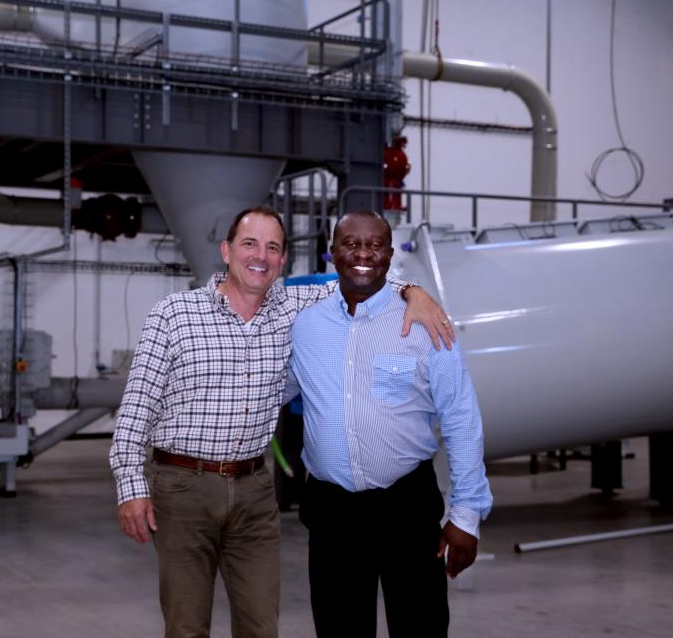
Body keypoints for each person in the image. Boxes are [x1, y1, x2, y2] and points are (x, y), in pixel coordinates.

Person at [108, 206, 455, 638]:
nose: (261, 256)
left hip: (254, 490)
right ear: (226, 250)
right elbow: (136, 408)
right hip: (183, 486)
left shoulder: (296, 306)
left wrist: (412, 291)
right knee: (186, 625)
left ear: (284, 259)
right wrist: (132, 489)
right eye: (249, 243)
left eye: (273, 247)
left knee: (260, 626)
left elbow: (361, 275)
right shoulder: (174, 315)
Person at [287, 209, 493, 638]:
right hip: (332, 514)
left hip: (407, 508)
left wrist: (466, 515)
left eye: (376, 244)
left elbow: (461, 417)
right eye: (351, 243)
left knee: (420, 627)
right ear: (332, 252)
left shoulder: (424, 324)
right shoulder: (304, 326)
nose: (363, 253)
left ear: (390, 253)